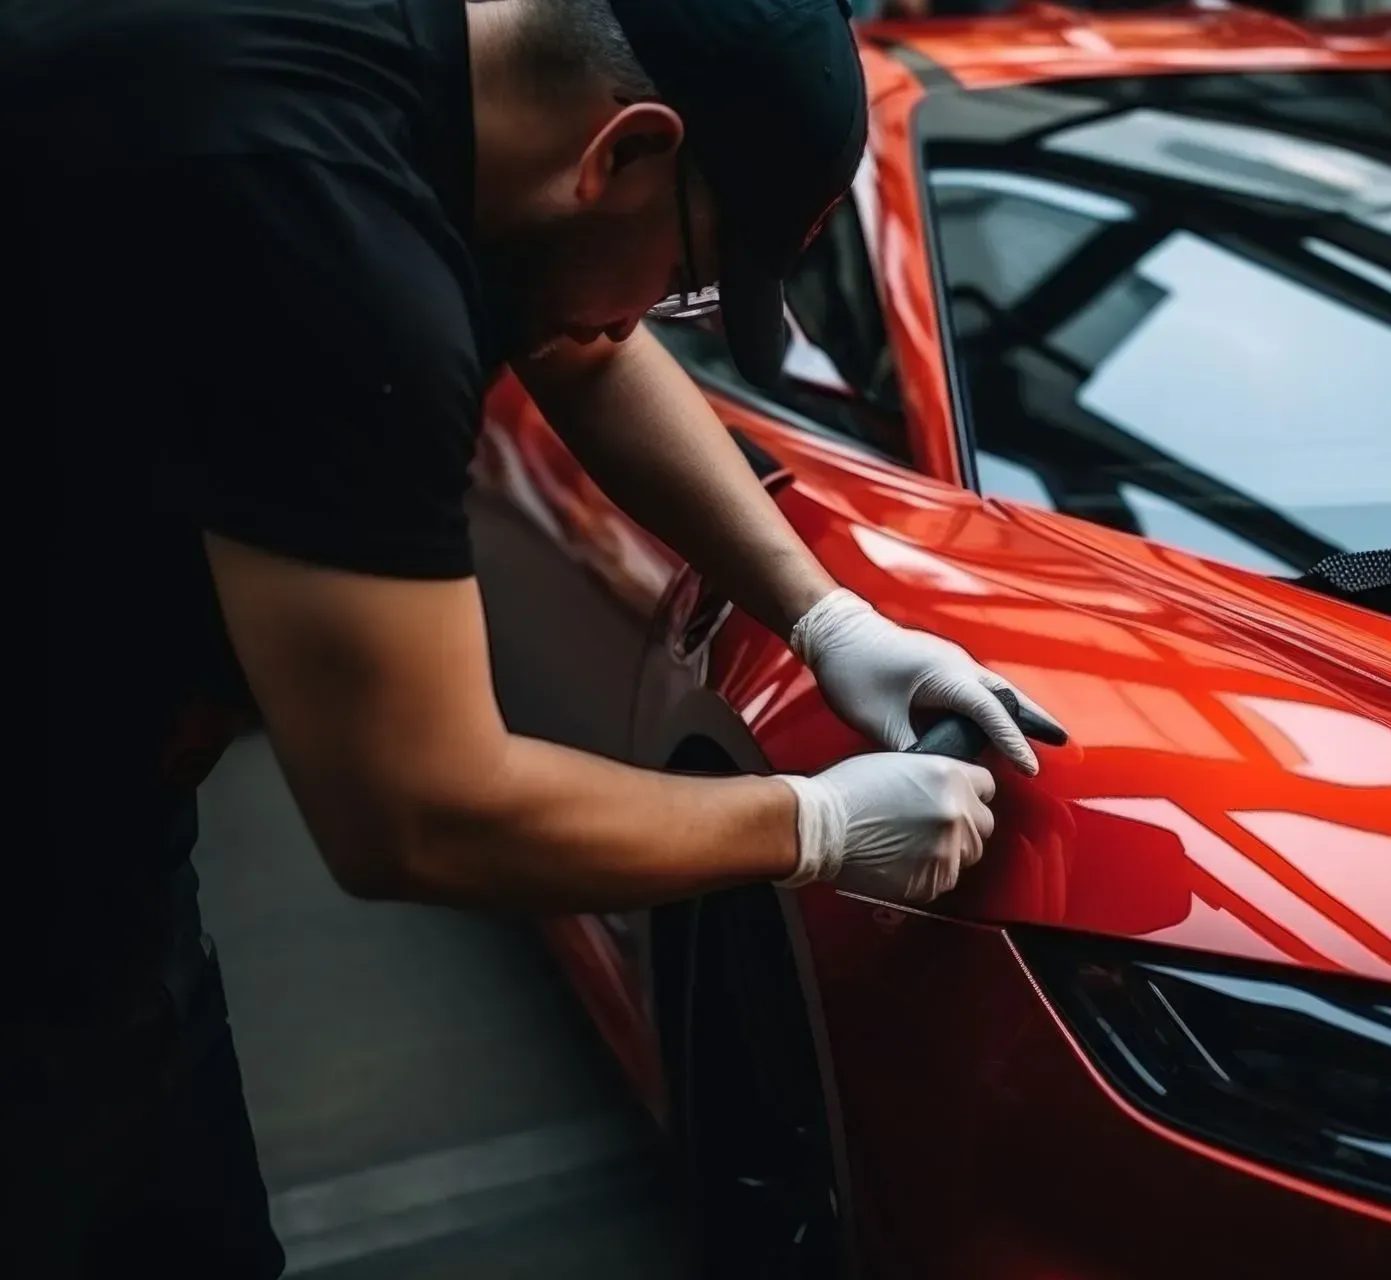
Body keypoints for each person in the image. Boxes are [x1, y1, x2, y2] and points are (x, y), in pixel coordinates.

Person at [1, 0, 1063, 1275]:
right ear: (621, 151)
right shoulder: (325, 237)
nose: (668, 314)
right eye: (694, 278)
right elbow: (421, 810)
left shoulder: (438, 85)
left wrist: (826, 613)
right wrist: (817, 826)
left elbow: (586, 343)